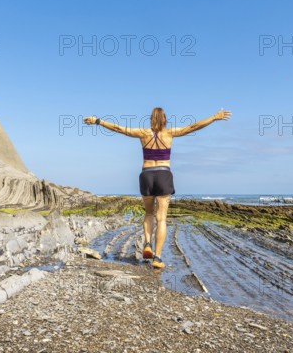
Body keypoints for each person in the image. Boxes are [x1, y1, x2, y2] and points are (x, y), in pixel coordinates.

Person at [83, 107, 232, 268]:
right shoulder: (169, 133)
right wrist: (214, 117)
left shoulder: (143, 133)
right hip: (163, 174)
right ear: (164, 120)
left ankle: (147, 244)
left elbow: (120, 129)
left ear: (151, 119)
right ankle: (158, 257)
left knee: (148, 213)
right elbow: (193, 127)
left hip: (146, 174)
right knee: (161, 218)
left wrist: (98, 121)